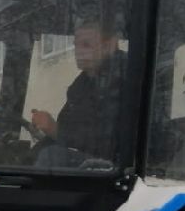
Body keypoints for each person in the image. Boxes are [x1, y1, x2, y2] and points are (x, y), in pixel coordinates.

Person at [29, 18, 126, 166]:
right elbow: (68, 128)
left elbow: (107, 142)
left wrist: (55, 130)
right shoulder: (83, 84)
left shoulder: (124, 79)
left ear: (109, 46)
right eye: (76, 45)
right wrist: (45, 131)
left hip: (110, 168)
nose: (78, 51)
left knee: (52, 157)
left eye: (86, 45)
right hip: (87, 162)